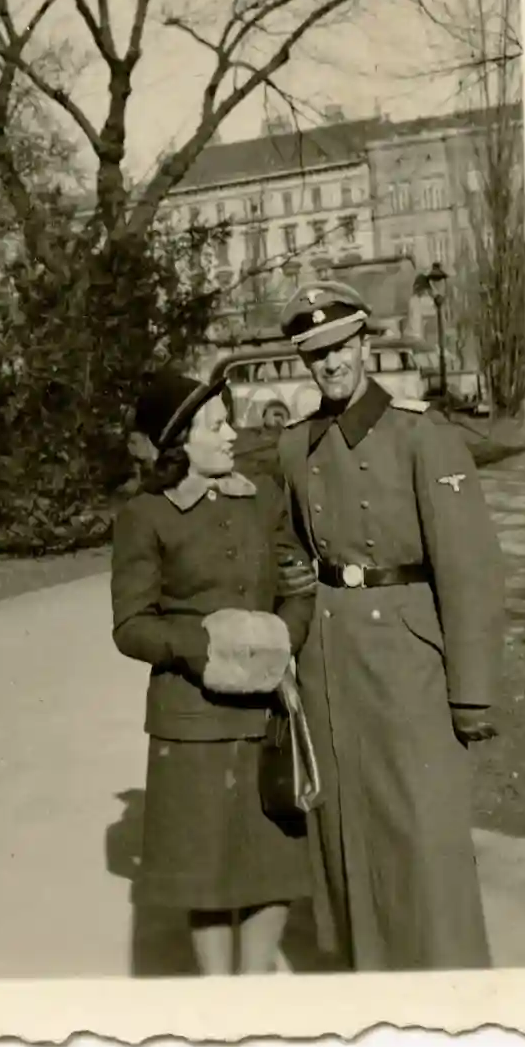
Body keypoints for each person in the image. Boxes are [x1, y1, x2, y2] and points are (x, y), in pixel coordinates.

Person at [273, 281, 505, 971]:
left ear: (365, 344)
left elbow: (468, 567)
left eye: (340, 348)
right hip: (328, 656)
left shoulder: (419, 433)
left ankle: (449, 982)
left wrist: (472, 692)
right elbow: (286, 542)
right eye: (315, 355)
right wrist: (290, 580)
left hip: (406, 652)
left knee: (421, 825)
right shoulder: (294, 445)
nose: (330, 365)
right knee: (346, 823)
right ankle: (366, 975)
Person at [110, 370, 330, 975]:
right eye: (217, 425)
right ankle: (218, 994)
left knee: (272, 860)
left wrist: (286, 637)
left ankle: (253, 983)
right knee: (204, 870)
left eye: (228, 420)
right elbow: (130, 625)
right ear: (180, 443)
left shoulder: (262, 497)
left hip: (267, 713)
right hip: (191, 718)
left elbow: (297, 584)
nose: (233, 433)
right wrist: (203, 647)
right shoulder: (145, 516)